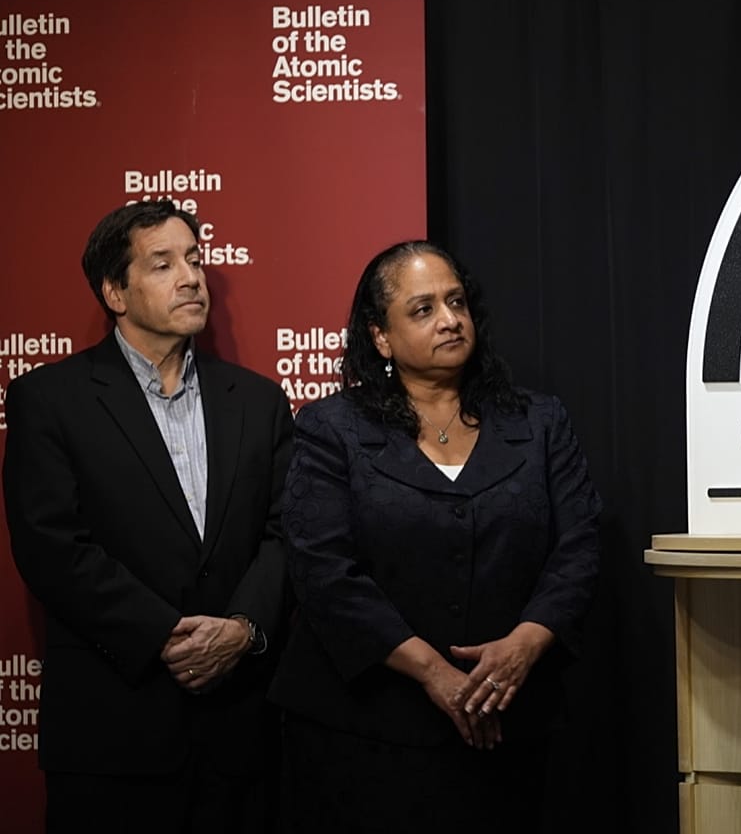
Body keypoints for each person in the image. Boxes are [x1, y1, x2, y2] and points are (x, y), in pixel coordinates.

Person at [269, 240, 601, 831]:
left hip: (510, 726)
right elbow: (323, 571)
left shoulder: (540, 421)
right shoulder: (330, 429)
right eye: (422, 310)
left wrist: (526, 643)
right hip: (364, 733)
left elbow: (579, 546)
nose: (450, 319)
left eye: (456, 302)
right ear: (381, 338)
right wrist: (434, 673)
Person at [3, 201, 292, 833]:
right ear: (115, 291)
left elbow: (285, 534)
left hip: (239, 735)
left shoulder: (261, 401)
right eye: (163, 264)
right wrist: (166, 634)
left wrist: (242, 629)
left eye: (195, 259)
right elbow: (51, 547)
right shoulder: (48, 400)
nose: (191, 277)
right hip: (113, 733)